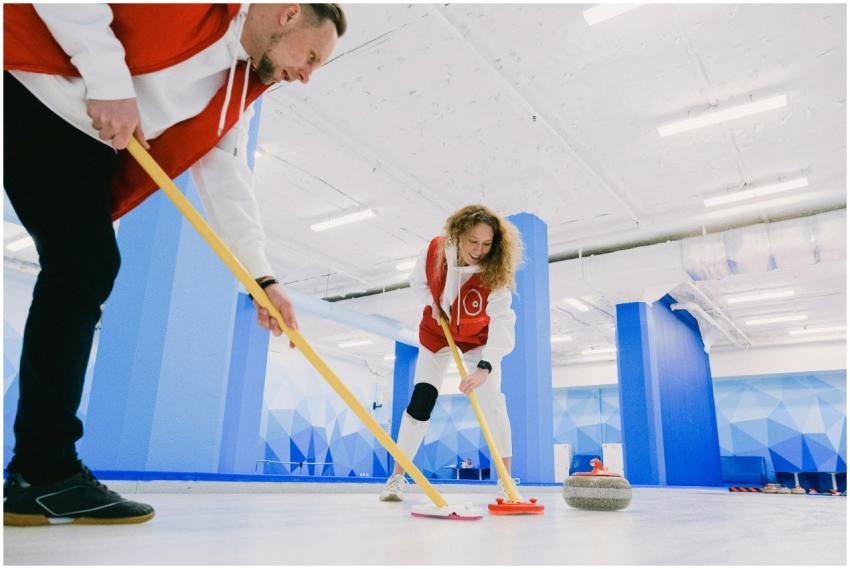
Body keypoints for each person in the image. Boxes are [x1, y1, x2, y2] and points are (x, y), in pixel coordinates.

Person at [3, 3, 346, 526]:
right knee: (85, 262)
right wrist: (108, 80)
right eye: (312, 57)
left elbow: (227, 179)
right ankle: (43, 473)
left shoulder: (237, 88)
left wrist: (262, 279)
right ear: (288, 13)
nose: (306, 77)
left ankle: (41, 473)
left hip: (85, 142)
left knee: (85, 264)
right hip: (32, 88)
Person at [379, 205, 523, 502]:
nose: (480, 250)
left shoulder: (494, 272)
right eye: (473, 241)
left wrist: (485, 367)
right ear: (458, 234)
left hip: (477, 340)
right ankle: (396, 478)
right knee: (421, 401)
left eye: (486, 244)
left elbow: (502, 321)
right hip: (436, 334)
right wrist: (434, 306)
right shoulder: (434, 249)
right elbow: (417, 282)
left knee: (493, 402)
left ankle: (507, 481)